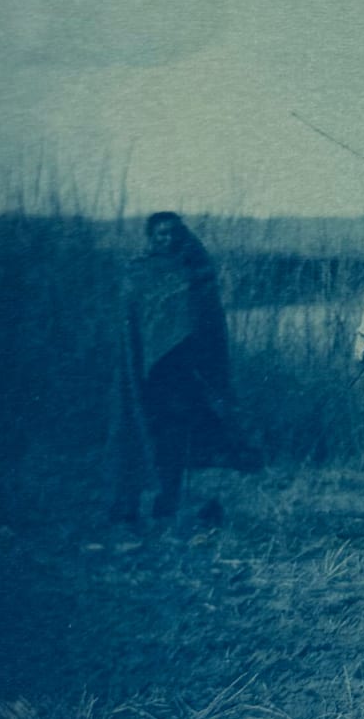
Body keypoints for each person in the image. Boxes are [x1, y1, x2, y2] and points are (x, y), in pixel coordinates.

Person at [108, 212, 258, 526]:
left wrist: (204, 368)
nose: (168, 239)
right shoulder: (137, 272)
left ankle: (167, 505)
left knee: (174, 440)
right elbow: (130, 328)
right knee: (138, 433)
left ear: (182, 233)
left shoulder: (196, 271)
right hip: (145, 377)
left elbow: (209, 326)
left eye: (174, 233)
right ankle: (128, 507)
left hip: (180, 374)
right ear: (151, 236)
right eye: (161, 234)